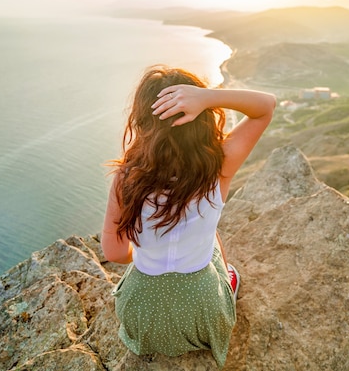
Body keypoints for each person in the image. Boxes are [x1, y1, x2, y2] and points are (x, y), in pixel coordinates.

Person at [101, 65, 276, 368]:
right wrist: (207, 97)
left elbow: (114, 253)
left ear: (142, 121)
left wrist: (151, 253)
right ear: (202, 119)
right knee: (214, 240)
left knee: (146, 265)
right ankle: (228, 282)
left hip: (141, 314)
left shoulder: (126, 178)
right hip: (202, 309)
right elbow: (265, 106)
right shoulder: (220, 167)